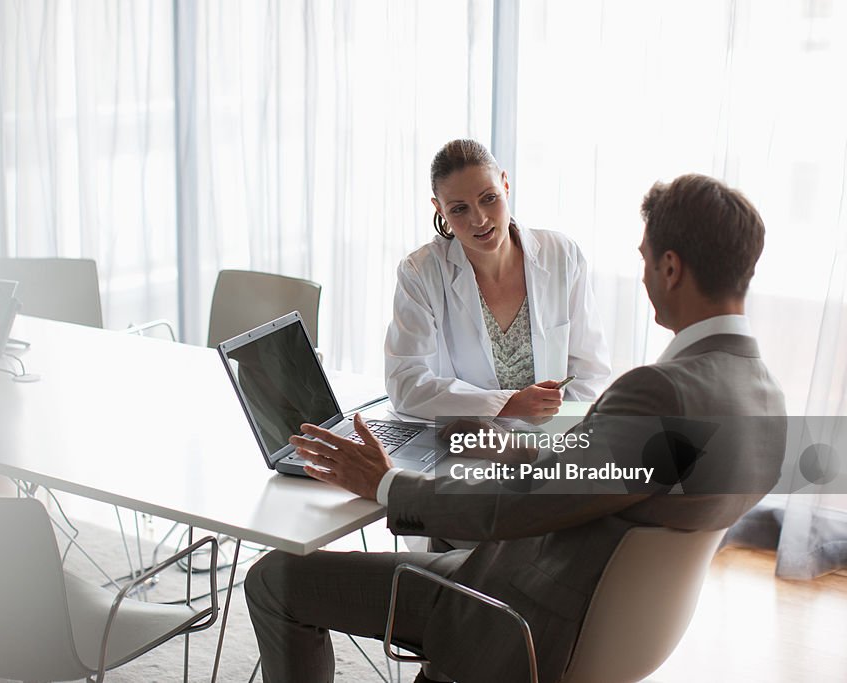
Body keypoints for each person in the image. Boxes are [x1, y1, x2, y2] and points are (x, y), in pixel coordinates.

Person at [244, 174, 788, 683]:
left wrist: (385, 484)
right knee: (437, 537)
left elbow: (519, 507)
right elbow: (595, 479)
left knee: (274, 579)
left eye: (645, 259)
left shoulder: (660, 392)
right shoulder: (765, 400)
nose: (644, 275)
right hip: (596, 618)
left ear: (670, 268)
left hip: (520, 616)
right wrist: (500, 445)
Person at [385, 139, 611, 421]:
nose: (479, 219)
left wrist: (554, 440)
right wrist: (507, 405)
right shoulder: (420, 272)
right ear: (440, 209)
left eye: (488, 198)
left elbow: (591, 372)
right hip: (464, 446)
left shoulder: (561, 254)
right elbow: (406, 385)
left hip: (553, 443)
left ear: (505, 184)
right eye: (459, 209)